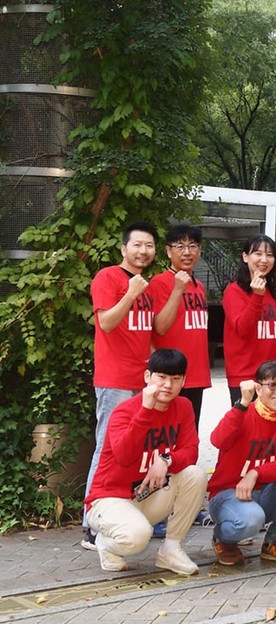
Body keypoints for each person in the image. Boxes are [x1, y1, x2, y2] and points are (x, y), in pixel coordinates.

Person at [85, 349, 207, 575]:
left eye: (175, 379)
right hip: (109, 498)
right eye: (161, 377)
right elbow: (124, 455)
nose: (167, 385)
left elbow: (191, 451)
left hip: (146, 495)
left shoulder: (183, 407)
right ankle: (105, 543)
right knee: (138, 537)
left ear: (183, 381)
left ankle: (171, 549)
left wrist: (165, 460)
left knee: (194, 474)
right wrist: (146, 409)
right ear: (147, 377)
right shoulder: (124, 411)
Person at [84, 221, 159, 545]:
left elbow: (147, 335)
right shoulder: (108, 278)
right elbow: (106, 322)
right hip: (114, 379)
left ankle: (124, 515)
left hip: (141, 381)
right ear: (123, 248)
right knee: (107, 447)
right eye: (137, 245)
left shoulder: (147, 285)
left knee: (136, 447)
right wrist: (131, 292)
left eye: (149, 245)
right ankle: (91, 522)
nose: (143, 251)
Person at [207, 360, 276, 567]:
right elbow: (218, 440)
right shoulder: (243, 412)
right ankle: (223, 539)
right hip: (229, 493)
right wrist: (241, 404)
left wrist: (255, 473)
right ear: (258, 388)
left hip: (267, 490)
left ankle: (275, 541)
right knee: (251, 520)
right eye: (272, 385)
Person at [151, 223, 211, 426]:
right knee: (167, 435)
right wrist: (177, 291)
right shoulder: (159, 282)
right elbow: (159, 327)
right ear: (168, 251)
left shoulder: (199, 286)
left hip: (196, 374)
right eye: (180, 246)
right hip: (171, 374)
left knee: (189, 436)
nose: (187, 252)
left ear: (200, 250)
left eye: (192, 246)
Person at [222, 234, 276, 405]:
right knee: (247, 428)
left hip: (272, 375)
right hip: (244, 376)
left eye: (270, 255)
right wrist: (256, 297)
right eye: (258, 253)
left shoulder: (272, 291)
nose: (264, 259)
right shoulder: (233, 290)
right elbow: (243, 329)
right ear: (245, 257)